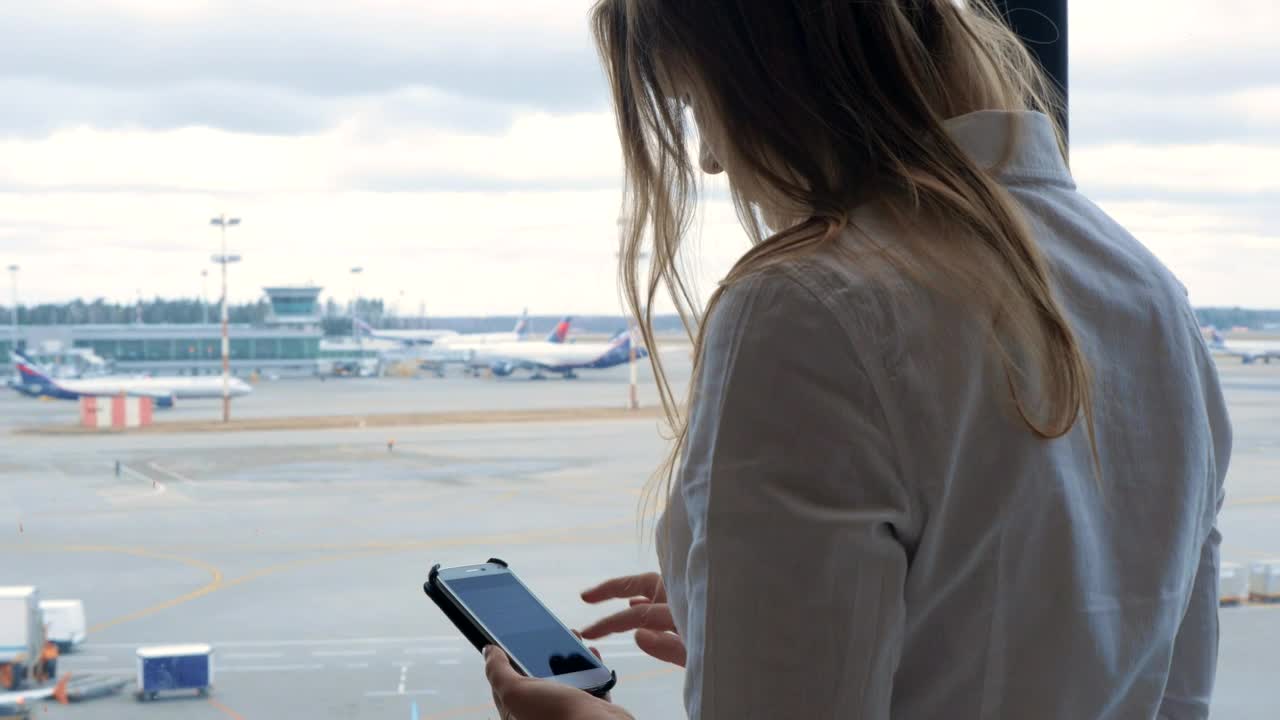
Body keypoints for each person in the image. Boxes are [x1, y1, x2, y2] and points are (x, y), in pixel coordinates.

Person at [483, 0, 1231, 718]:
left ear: (765, 73)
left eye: (693, 100)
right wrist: (762, 637)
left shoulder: (808, 308)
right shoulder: (1150, 292)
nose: (709, 158)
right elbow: (1164, 689)